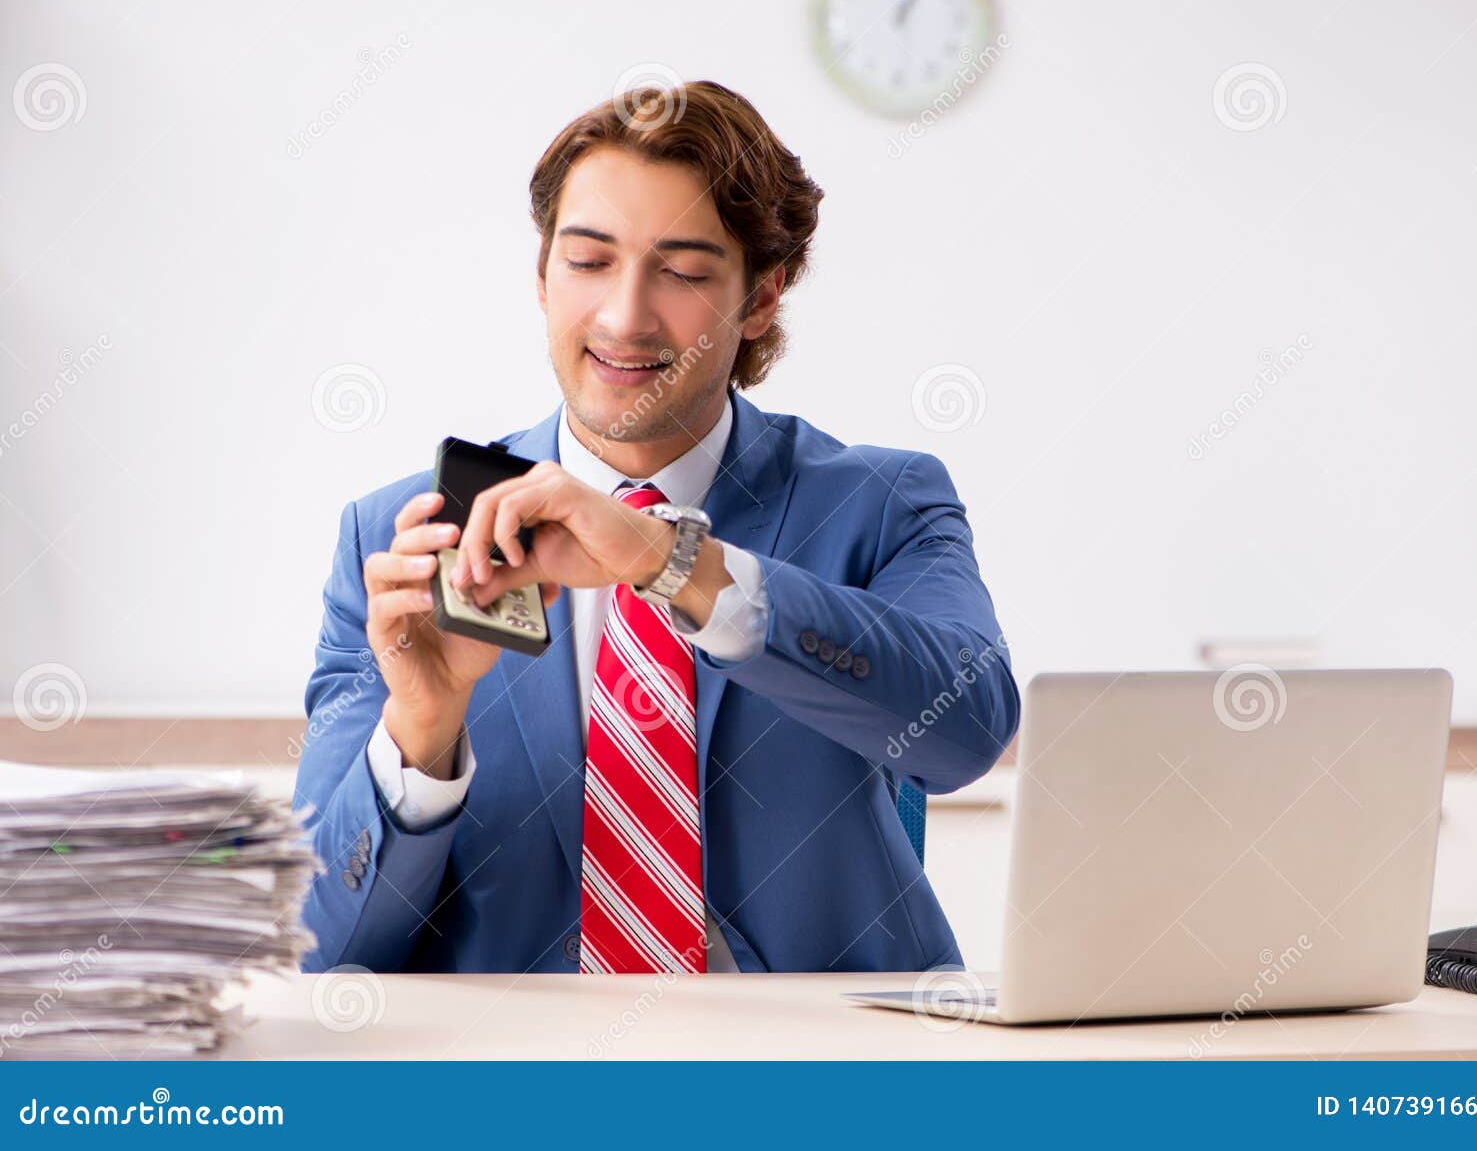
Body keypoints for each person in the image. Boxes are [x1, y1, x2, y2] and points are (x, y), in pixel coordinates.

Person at [294, 81, 1018, 974]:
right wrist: (422, 725)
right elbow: (320, 948)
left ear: (761, 298)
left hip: (817, 1049)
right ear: (542, 277)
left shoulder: (880, 504)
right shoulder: (404, 538)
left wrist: (671, 562)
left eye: (683, 272)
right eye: (588, 260)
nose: (624, 317)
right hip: (521, 1055)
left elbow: (968, 734)